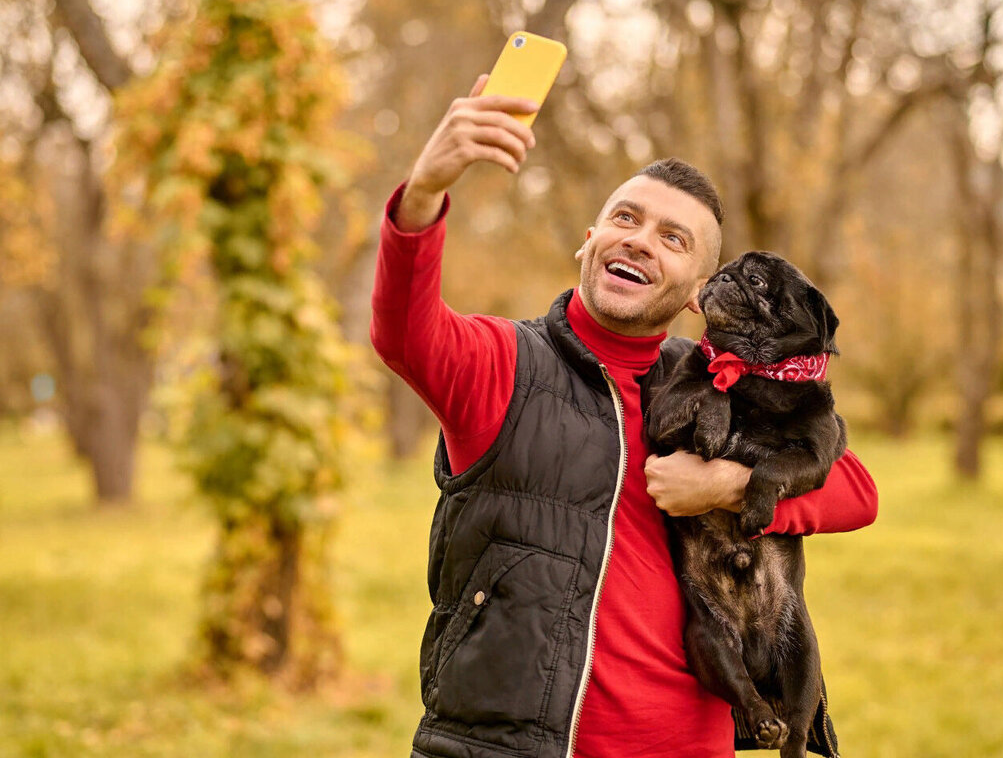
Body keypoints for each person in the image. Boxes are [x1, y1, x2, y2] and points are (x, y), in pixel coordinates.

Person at [370, 75, 878, 758]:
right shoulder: (504, 363)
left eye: (674, 238)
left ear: (702, 291)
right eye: (626, 219)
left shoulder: (719, 388)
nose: (640, 241)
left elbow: (856, 492)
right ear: (590, 240)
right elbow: (404, 331)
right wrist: (425, 193)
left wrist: (726, 486)